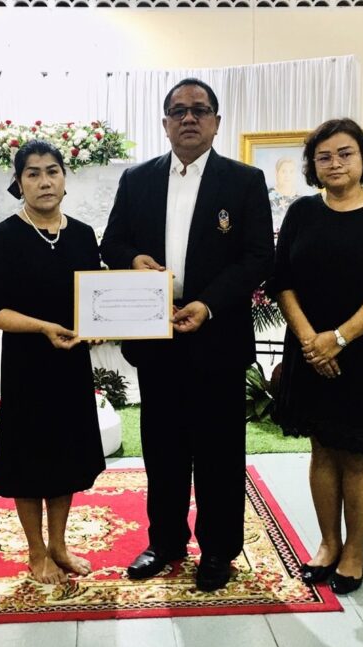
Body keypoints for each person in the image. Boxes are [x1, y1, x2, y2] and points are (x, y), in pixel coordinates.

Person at [101, 78, 274, 592]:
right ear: (165, 123)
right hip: (156, 338)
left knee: (220, 452)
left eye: (200, 110)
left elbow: (258, 256)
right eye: (179, 111)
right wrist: (134, 259)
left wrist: (208, 304)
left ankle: (219, 549)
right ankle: (166, 542)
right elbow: (112, 242)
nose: (189, 118)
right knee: (163, 449)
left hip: (217, 338)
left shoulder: (244, 181)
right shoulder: (137, 179)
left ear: (217, 121)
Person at [267, 118, 363, 595]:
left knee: (356, 453)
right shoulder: (302, 213)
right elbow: (282, 280)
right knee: (321, 448)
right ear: (313, 165)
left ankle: (354, 551)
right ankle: (328, 544)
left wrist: (339, 338)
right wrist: (311, 340)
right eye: (324, 156)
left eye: (344, 153)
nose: (334, 163)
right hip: (309, 348)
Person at [0, 139, 106, 585]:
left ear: (64, 179)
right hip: (28, 365)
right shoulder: (4, 236)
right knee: (29, 459)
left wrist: (97, 325)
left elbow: (94, 297)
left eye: (52, 171)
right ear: (19, 183)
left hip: (71, 364)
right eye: (32, 173)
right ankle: (36, 551)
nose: (44, 181)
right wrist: (43, 327)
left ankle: (59, 546)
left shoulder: (83, 234)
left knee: (67, 457)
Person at [268, 157, 300, 235]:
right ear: (276, 173)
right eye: (283, 171)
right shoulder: (266, 195)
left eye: (291, 172)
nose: (287, 175)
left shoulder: (300, 200)